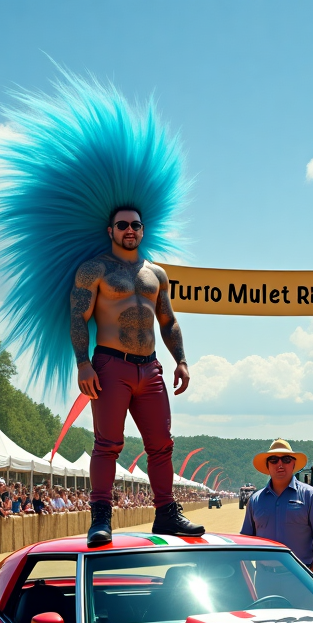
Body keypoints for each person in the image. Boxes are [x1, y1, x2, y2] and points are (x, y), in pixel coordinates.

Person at [71, 207, 203, 546]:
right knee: (107, 444)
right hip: (110, 365)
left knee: (162, 445)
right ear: (110, 230)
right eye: (122, 225)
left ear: (143, 230)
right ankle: (100, 517)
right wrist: (83, 363)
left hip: (151, 366)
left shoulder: (156, 274)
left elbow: (168, 321)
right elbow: (78, 316)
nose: (129, 230)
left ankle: (166, 514)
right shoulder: (94, 269)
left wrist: (182, 361)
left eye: (135, 225)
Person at [240, 440, 313, 581]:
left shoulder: (311, 496)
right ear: (267, 465)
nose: (280, 464)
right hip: (264, 578)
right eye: (274, 460)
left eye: (286, 459)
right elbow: (246, 540)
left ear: (293, 464)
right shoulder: (255, 501)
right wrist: (248, 575)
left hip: (301, 577)